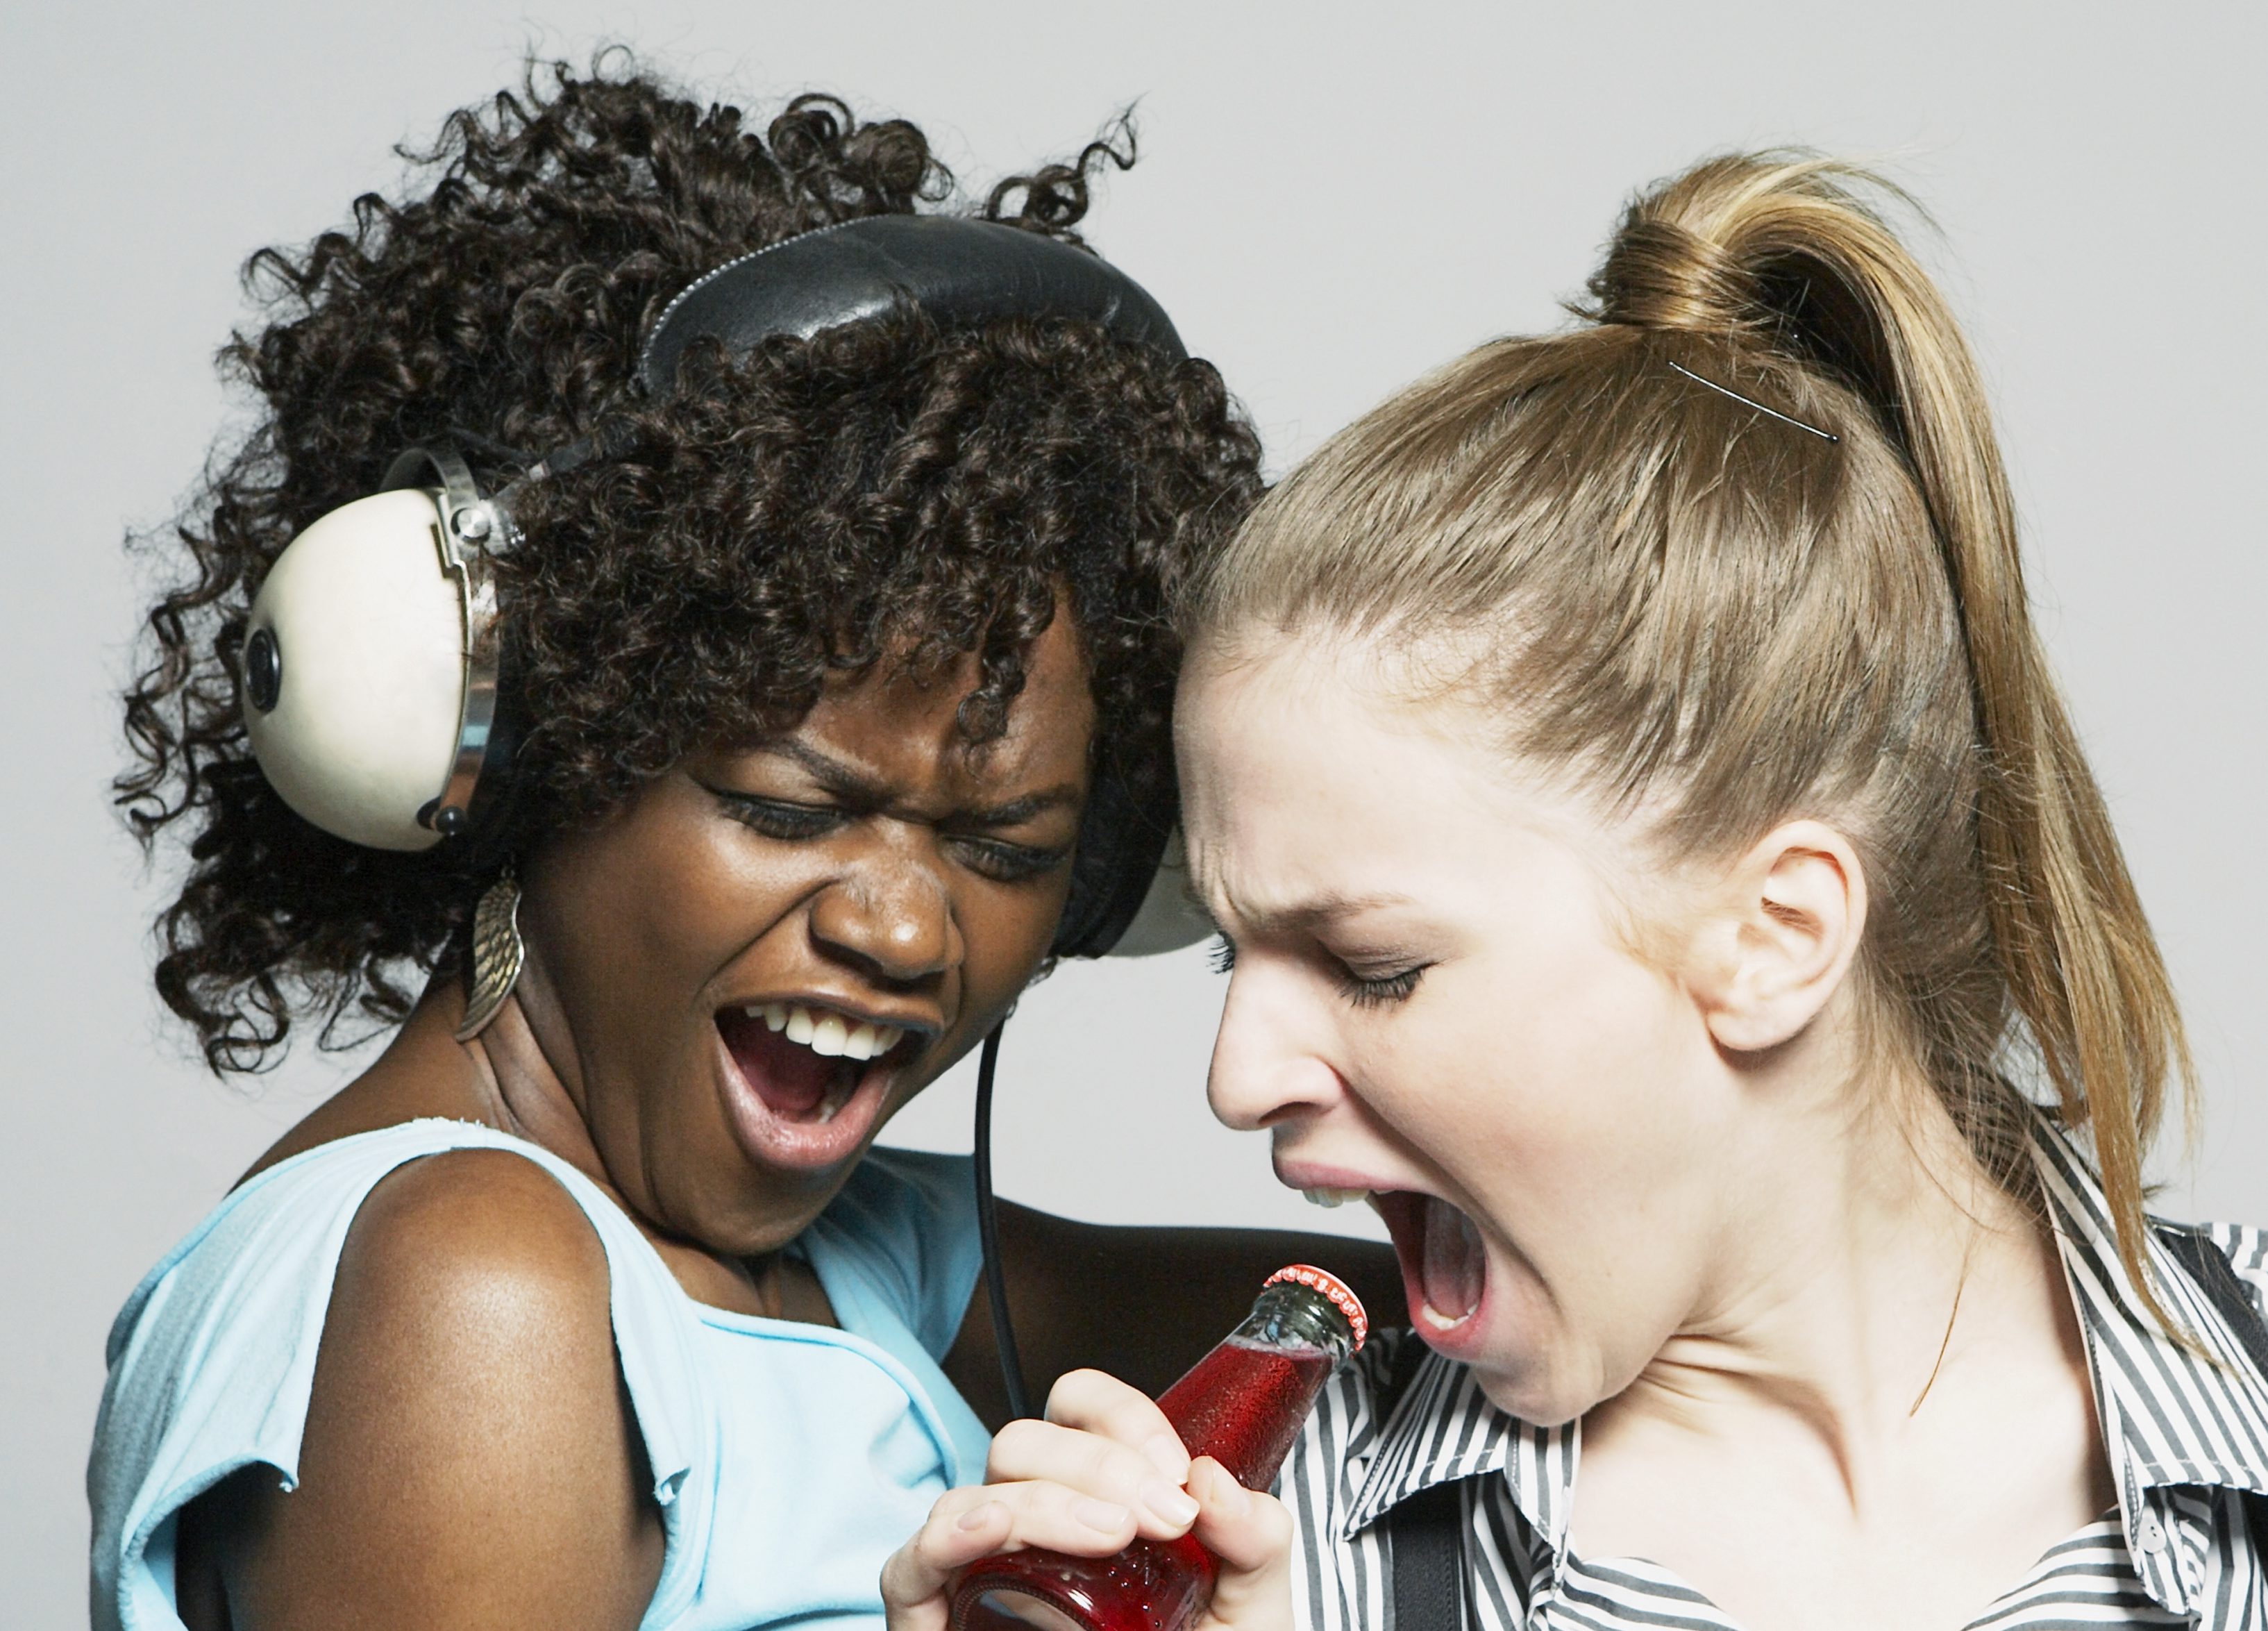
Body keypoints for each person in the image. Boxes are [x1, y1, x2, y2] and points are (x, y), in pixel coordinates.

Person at [89, 58, 1399, 1631]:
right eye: (788, 808)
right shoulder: (468, 1292)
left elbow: (1434, 1330)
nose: (908, 933)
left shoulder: (867, 1259)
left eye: (1004, 844)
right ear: (535, 762)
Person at [885, 154, 2268, 1631]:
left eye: (1370, 963)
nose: (1232, 1080)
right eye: (1234, 959)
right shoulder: (1264, 1564)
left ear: (1774, 934)